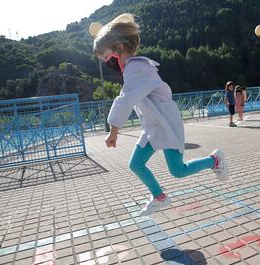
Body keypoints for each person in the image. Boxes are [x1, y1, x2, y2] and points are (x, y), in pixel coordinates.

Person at [93, 14, 228, 216]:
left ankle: (215, 160)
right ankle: (159, 196)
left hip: (166, 124)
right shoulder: (134, 68)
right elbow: (129, 97)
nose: (106, 63)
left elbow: (125, 98)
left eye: (105, 57)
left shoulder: (137, 67)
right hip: (154, 126)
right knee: (136, 164)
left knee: (178, 171)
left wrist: (114, 130)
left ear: (118, 47)